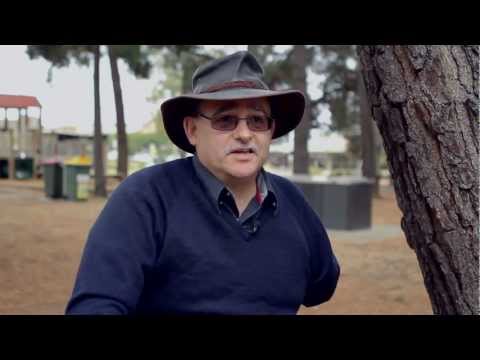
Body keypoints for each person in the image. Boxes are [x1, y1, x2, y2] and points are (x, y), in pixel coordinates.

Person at [65, 50, 340, 315]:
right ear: (192, 130)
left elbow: (321, 286)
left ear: (270, 130)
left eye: (257, 120)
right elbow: (96, 305)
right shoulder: (145, 198)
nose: (244, 134)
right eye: (225, 120)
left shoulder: (291, 201)